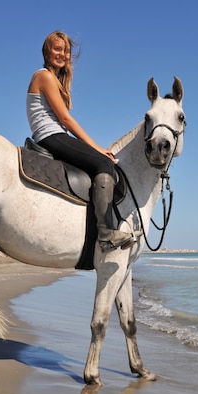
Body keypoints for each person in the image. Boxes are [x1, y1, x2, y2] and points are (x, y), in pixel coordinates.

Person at [26, 31, 135, 252]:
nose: (62, 54)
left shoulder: (53, 79)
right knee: (104, 164)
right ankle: (105, 234)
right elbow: (65, 120)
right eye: (57, 49)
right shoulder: (45, 76)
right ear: (47, 51)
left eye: (65, 51)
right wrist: (96, 148)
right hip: (51, 135)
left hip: (51, 134)